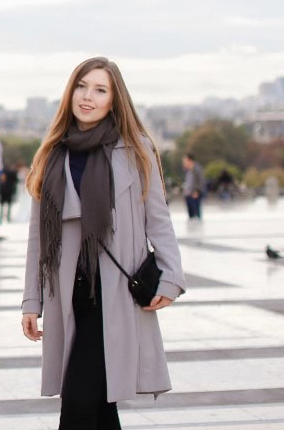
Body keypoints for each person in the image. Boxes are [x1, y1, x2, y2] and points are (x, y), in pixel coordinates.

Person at [21, 57, 186, 429]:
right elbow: (37, 237)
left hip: (113, 292)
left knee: (78, 404)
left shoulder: (135, 149)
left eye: (99, 90)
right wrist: (31, 301)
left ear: (114, 99)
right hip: (68, 292)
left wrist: (171, 278)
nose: (88, 97)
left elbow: (158, 218)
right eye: (81, 86)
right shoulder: (52, 154)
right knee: (97, 407)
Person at [183, 154, 206, 220]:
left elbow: (201, 181)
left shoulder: (197, 169)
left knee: (196, 214)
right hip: (188, 195)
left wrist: (197, 191)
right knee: (191, 215)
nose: (184, 163)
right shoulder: (188, 170)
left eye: (185, 161)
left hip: (195, 194)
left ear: (189, 160)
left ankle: (197, 226)